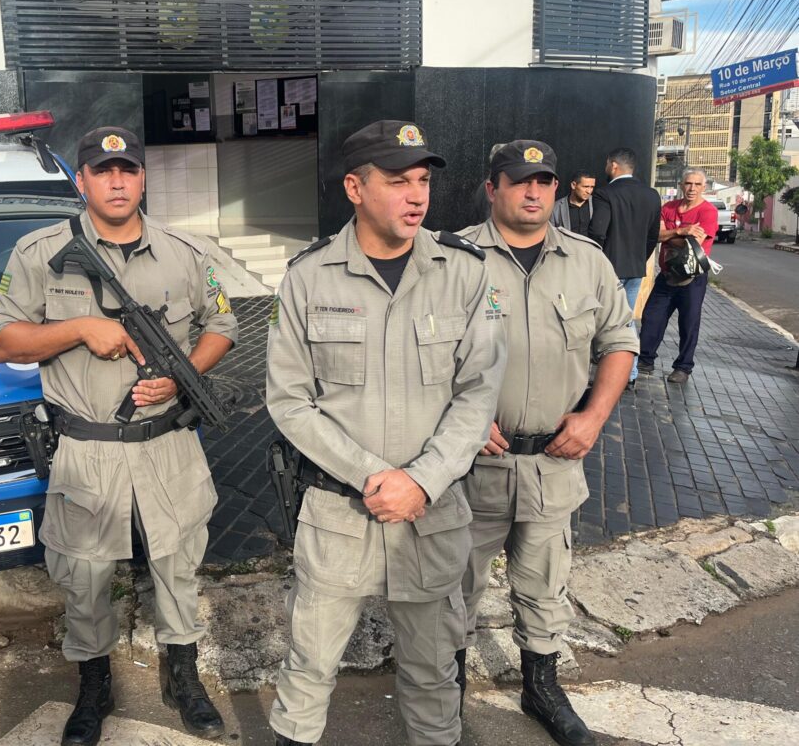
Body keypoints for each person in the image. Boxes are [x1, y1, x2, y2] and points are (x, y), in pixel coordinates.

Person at [0, 126, 237, 746]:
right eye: (103, 171)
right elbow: (2, 340)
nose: (117, 181)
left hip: (167, 442)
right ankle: (92, 688)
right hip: (87, 449)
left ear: (143, 178)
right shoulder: (39, 250)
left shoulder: (184, 250)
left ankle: (183, 675)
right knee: (85, 578)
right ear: (83, 181)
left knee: (178, 565)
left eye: (128, 170)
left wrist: (184, 379)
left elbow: (222, 322)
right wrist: (77, 329)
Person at [266, 120, 506, 746]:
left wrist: (421, 482)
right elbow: (289, 402)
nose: (416, 195)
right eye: (398, 181)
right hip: (339, 511)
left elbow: (478, 393)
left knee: (433, 673)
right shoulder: (309, 278)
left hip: (432, 513)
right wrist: (374, 476)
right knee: (309, 667)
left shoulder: (463, 272)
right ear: (354, 187)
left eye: (422, 181)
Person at [456, 141, 637, 746]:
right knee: (454, 584)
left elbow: (619, 343)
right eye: (519, 181)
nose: (533, 192)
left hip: (553, 460)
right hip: (474, 463)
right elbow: (420, 353)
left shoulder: (588, 262)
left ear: (557, 190)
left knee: (544, 583)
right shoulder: (453, 258)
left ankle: (540, 686)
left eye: (544, 182)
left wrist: (593, 416)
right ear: (493, 188)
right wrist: (461, 417)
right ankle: (444, 689)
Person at [588, 147, 662, 385]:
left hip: (608, 269)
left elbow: (597, 233)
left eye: (607, 165)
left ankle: (600, 371)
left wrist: (593, 263)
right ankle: (629, 374)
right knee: (626, 319)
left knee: (597, 318)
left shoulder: (605, 194)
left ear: (613, 165)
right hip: (635, 268)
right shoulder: (652, 196)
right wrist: (641, 257)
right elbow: (653, 236)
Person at [637, 169, 719, 385]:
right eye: (688, 183)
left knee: (689, 323)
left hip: (693, 277)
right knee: (652, 317)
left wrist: (670, 235)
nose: (692, 188)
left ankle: (683, 367)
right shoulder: (668, 208)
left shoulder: (708, 212)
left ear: (704, 187)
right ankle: (645, 360)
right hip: (666, 275)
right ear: (681, 184)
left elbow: (696, 244)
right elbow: (655, 234)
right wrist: (683, 232)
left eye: (697, 184)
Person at [549, 172, 596, 236]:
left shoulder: (597, 203)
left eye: (592, 187)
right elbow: (551, 235)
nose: (589, 191)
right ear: (573, 185)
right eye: (585, 187)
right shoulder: (556, 207)